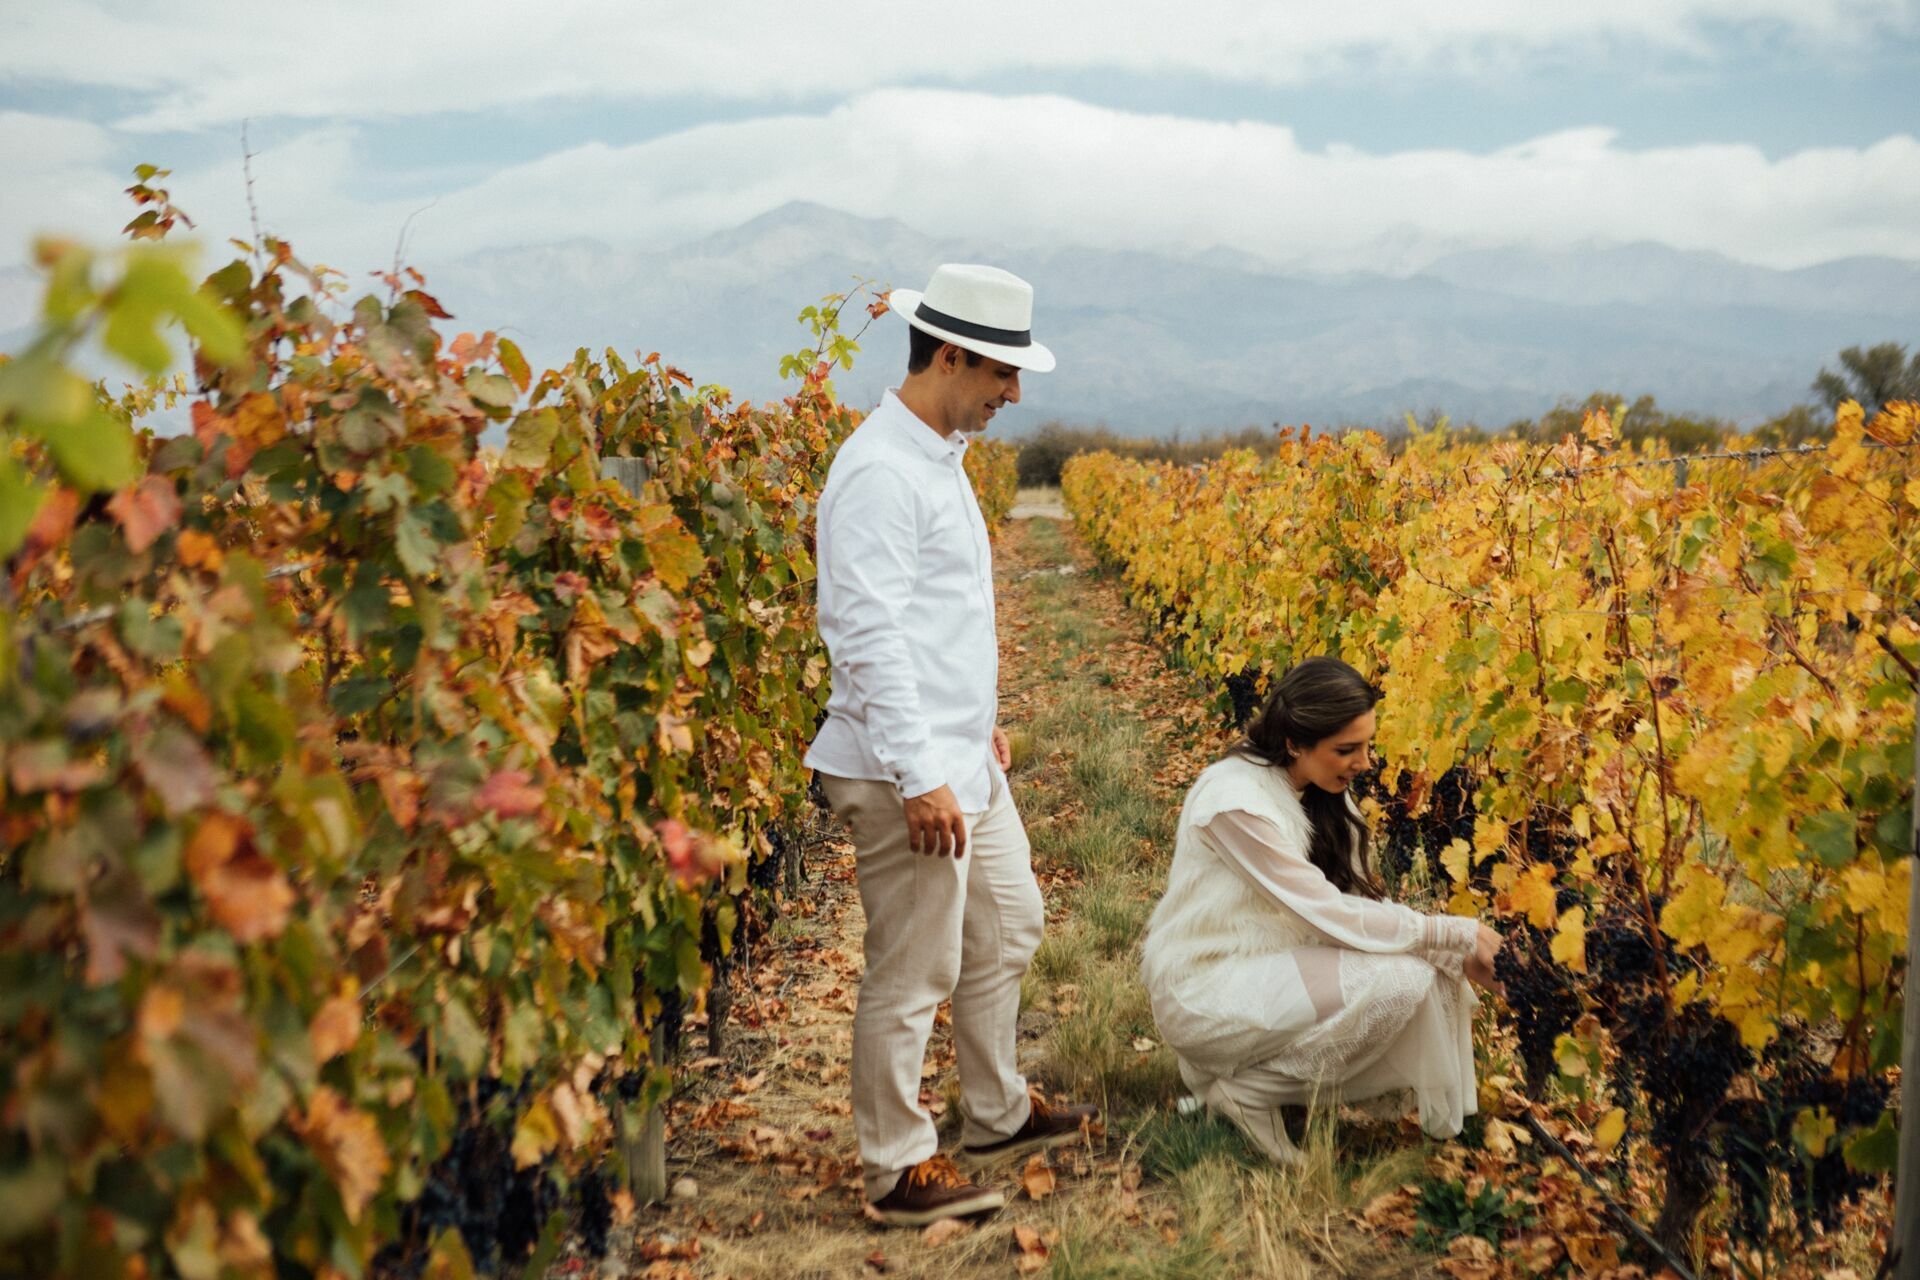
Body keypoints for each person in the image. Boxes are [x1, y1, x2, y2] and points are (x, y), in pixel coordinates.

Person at [805, 263, 1098, 1227]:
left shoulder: (938, 456)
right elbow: (869, 635)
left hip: (961, 755)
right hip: (906, 772)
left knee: (1010, 924)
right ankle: (895, 1167)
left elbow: (939, 621)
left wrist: (976, 722)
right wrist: (922, 771)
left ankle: (995, 1112)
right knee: (914, 968)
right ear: (951, 355)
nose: (1014, 395)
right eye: (1004, 374)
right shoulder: (881, 473)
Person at [1140, 656, 1503, 1164]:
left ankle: (1261, 1087)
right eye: (1347, 749)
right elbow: (1324, 910)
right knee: (1402, 982)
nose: (1365, 762)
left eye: (1367, 745)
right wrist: (1451, 932)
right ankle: (1249, 1094)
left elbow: (1355, 908)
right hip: (1206, 988)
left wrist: (1447, 949)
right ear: (1294, 743)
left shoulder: (1315, 791)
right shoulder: (1235, 803)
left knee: (1431, 969)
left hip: (1269, 971)